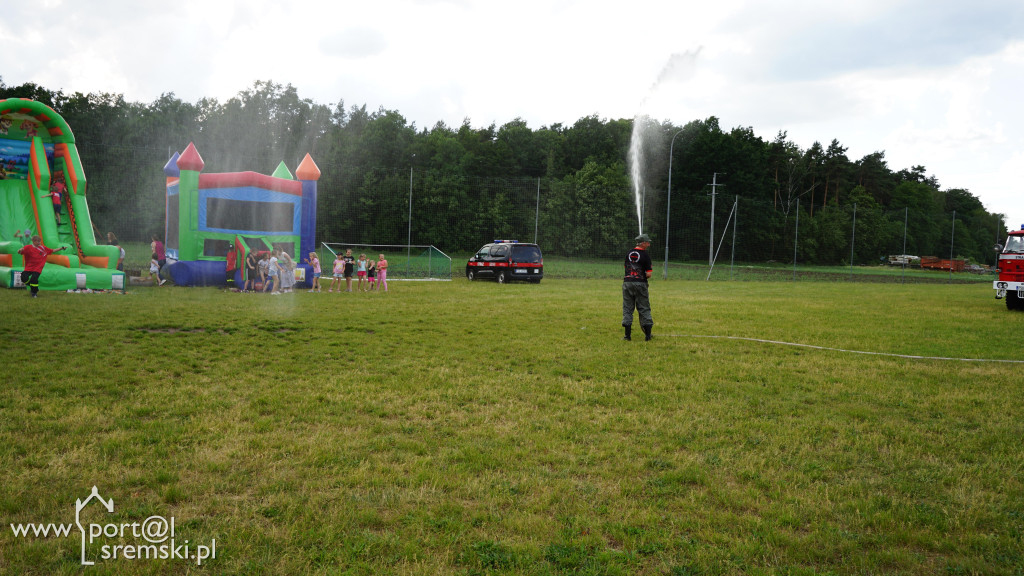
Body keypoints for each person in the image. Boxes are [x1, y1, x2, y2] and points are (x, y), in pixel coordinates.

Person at [622, 233, 654, 341]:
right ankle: (648, 336)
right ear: (643, 243)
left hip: (627, 283)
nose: (649, 244)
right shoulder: (645, 255)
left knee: (627, 308)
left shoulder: (629, 253)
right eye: (647, 242)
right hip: (640, 284)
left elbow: (626, 267)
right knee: (644, 308)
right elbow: (649, 274)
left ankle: (627, 336)